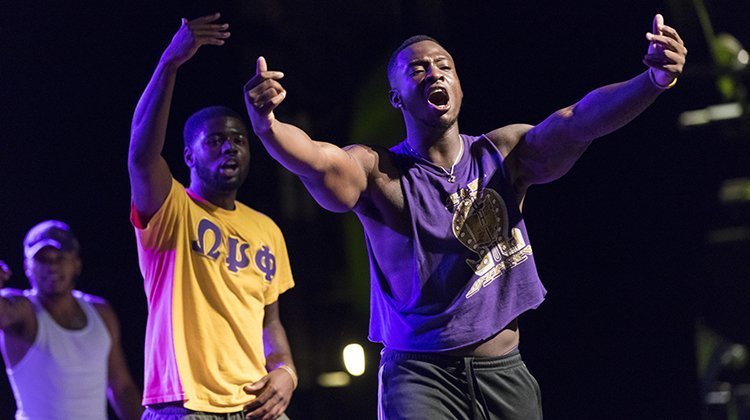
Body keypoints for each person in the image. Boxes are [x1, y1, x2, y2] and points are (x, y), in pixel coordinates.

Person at [243, 12, 687, 419]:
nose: (433, 71)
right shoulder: (380, 173)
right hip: (421, 378)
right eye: (417, 69)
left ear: (458, 85)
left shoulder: (503, 155)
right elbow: (319, 161)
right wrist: (268, 126)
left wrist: (652, 80)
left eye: (443, 65)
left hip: (504, 371)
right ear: (396, 98)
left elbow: (578, 121)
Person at [128, 13, 297, 420]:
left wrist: (286, 370)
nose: (230, 148)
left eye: (239, 140)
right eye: (216, 140)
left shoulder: (266, 229)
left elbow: (269, 320)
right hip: (185, 406)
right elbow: (141, 153)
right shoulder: (171, 209)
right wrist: (170, 62)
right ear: (188, 156)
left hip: (255, 403)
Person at [0, 220, 143, 420]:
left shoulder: (101, 312)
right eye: (42, 259)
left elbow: (121, 388)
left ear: (76, 264)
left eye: (60, 257)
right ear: (27, 267)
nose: (52, 266)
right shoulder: (23, 311)